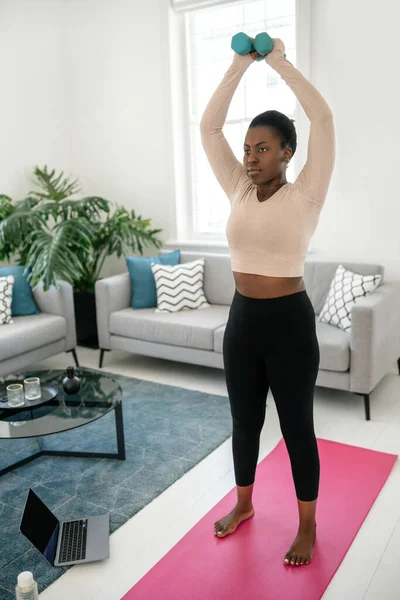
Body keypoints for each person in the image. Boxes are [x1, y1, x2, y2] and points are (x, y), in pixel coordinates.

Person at [199, 37, 335, 567]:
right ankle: (245, 505)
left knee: (297, 423)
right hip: (243, 320)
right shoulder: (237, 185)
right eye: (248, 148)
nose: (250, 157)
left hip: (289, 325)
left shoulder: (306, 193)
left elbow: (322, 120)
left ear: (287, 152)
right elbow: (210, 128)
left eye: (262, 148)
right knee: (244, 419)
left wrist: (276, 61)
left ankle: (307, 524)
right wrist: (238, 65)